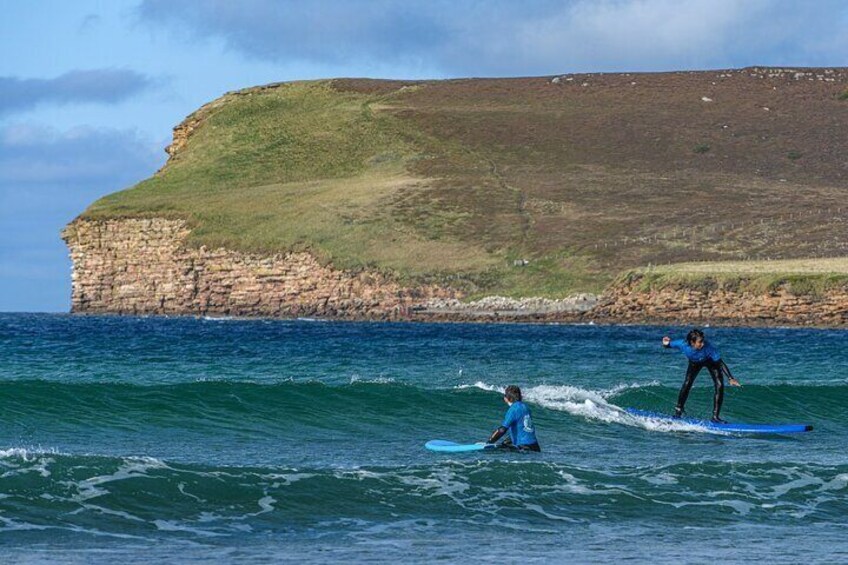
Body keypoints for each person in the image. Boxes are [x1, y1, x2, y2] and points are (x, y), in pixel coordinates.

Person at [662, 329, 741, 423]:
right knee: (687, 383)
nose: (703, 344)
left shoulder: (708, 348)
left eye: (703, 341)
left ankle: (715, 417)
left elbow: (719, 362)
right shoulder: (682, 344)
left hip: (710, 362)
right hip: (695, 363)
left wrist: (730, 378)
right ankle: (678, 411)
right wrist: (665, 342)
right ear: (692, 342)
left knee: (719, 385)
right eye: (700, 342)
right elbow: (668, 345)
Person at [486, 385, 541, 452]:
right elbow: (522, 428)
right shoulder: (526, 407)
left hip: (524, 448)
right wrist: (506, 442)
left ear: (506, 398)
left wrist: (489, 442)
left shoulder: (513, 409)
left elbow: (502, 430)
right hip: (535, 447)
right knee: (505, 445)